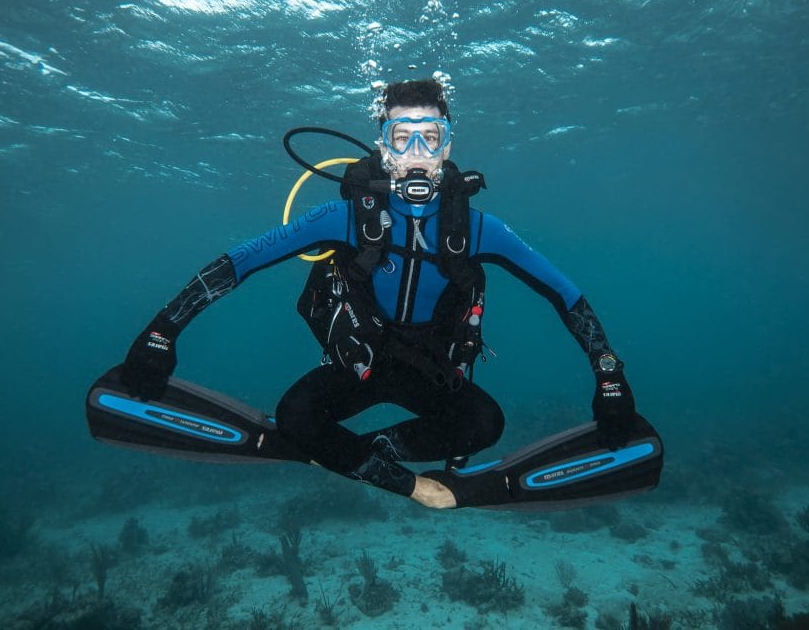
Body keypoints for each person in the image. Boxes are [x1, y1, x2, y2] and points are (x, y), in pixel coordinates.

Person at [120, 79, 637, 509]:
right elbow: (244, 259)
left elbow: (563, 292)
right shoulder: (343, 216)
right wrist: (162, 330)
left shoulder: (478, 229)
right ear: (383, 146)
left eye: (430, 138)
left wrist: (609, 373)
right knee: (296, 414)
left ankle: (355, 452)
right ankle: (408, 484)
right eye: (402, 136)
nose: (417, 153)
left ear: (448, 148)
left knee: (485, 423)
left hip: (431, 370)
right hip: (357, 364)